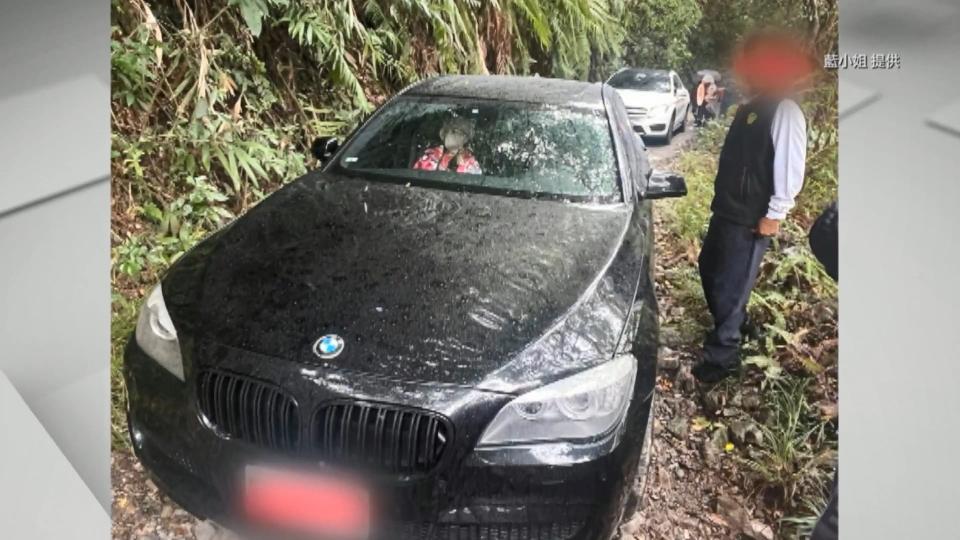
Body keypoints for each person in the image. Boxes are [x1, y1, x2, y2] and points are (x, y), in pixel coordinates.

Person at [693, 31, 814, 383]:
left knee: (731, 284)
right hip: (726, 210)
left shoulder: (785, 109)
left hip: (750, 218)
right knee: (710, 269)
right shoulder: (750, 107)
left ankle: (722, 357)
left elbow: (790, 166)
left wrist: (775, 214)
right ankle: (738, 323)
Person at [412, 116, 482, 174]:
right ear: (444, 135)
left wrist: (461, 166)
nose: (454, 137)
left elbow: (473, 183)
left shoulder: (470, 161)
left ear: (465, 139)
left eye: (459, 133)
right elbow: (417, 176)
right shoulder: (431, 155)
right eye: (451, 131)